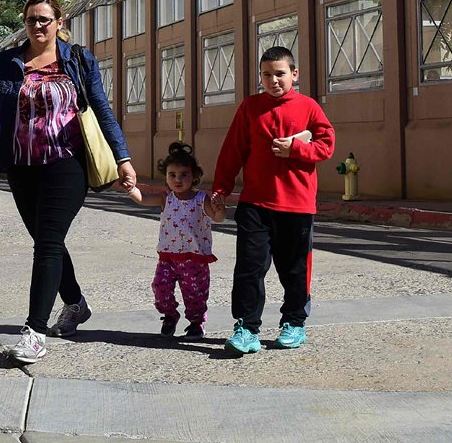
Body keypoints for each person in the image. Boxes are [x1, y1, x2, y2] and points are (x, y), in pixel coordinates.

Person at [0, 0, 136, 364]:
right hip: (22, 166)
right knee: (49, 241)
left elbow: (102, 109)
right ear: (24, 24)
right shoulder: (9, 62)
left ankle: (34, 332)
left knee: (45, 244)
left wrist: (122, 158)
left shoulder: (77, 59)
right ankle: (75, 304)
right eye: (31, 20)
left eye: (45, 19)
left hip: (66, 164)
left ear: (59, 22)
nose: (38, 26)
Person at [210, 46, 335, 354]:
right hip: (255, 203)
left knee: (294, 268)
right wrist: (220, 188)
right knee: (249, 267)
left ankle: (294, 322)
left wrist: (296, 150)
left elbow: (327, 145)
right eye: (267, 75)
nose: (274, 80)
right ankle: (246, 328)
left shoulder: (308, 107)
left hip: (297, 205)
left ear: (294, 74)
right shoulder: (250, 107)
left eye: (280, 74)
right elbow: (232, 152)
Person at [127, 142, 225, 338]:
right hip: (168, 257)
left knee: (195, 295)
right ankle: (170, 314)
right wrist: (131, 189)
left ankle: (197, 323)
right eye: (172, 175)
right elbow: (142, 199)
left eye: (183, 175)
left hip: (194, 259)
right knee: (160, 288)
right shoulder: (167, 198)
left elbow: (218, 218)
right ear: (166, 177)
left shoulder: (200, 199)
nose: (177, 179)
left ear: (194, 176)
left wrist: (219, 207)